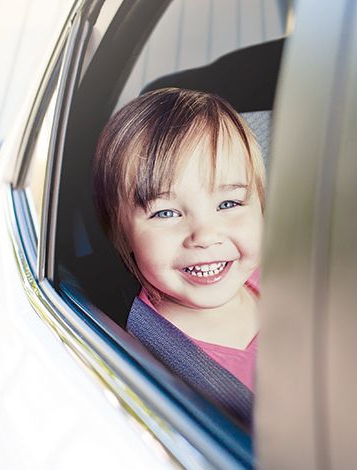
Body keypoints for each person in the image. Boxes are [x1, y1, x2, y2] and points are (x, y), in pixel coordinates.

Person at [92, 88, 265, 423]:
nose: (205, 236)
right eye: (166, 213)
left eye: (228, 204)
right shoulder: (150, 359)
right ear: (120, 232)